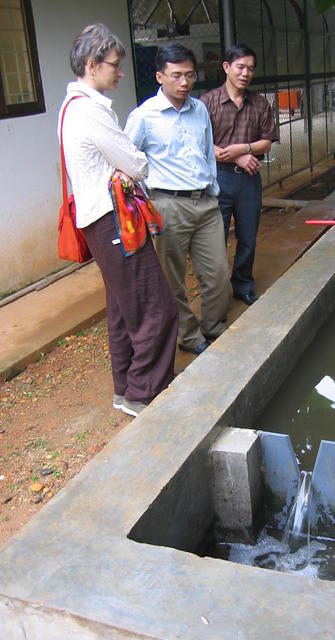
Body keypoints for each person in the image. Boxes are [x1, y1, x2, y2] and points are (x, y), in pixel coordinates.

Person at [59, 23, 179, 417]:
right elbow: (136, 163)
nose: (121, 72)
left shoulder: (70, 108)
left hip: (99, 222)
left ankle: (126, 388)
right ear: (92, 65)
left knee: (124, 308)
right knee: (156, 308)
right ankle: (144, 393)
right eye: (114, 65)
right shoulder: (90, 111)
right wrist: (129, 167)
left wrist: (123, 167)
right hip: (115, 223)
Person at [125, 43, 229, 355]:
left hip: (206, 204)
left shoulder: (199, 109)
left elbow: (208, 151)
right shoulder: (144, 116)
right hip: (168, 206)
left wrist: (212, 188)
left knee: (218, 274)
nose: (184, 82)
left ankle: (213, 326)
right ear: (160, 76)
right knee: (173, 279)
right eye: (176, 76)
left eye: (189, 75)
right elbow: (126, 161)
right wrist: (148, 201)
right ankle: (189, 335)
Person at [200, 44, 278, 306]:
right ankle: (217, 291)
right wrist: (238, 156)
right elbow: (201, 143)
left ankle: (243, 283)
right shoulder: (207, 103)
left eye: (251, 69)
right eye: (240, 67)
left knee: (248, 235)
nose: (246, 73)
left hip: (248, 181)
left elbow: (266, 142)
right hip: (217, 178)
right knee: (215, 237)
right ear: (226, 67)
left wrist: (243, 149)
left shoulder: (259, 104)